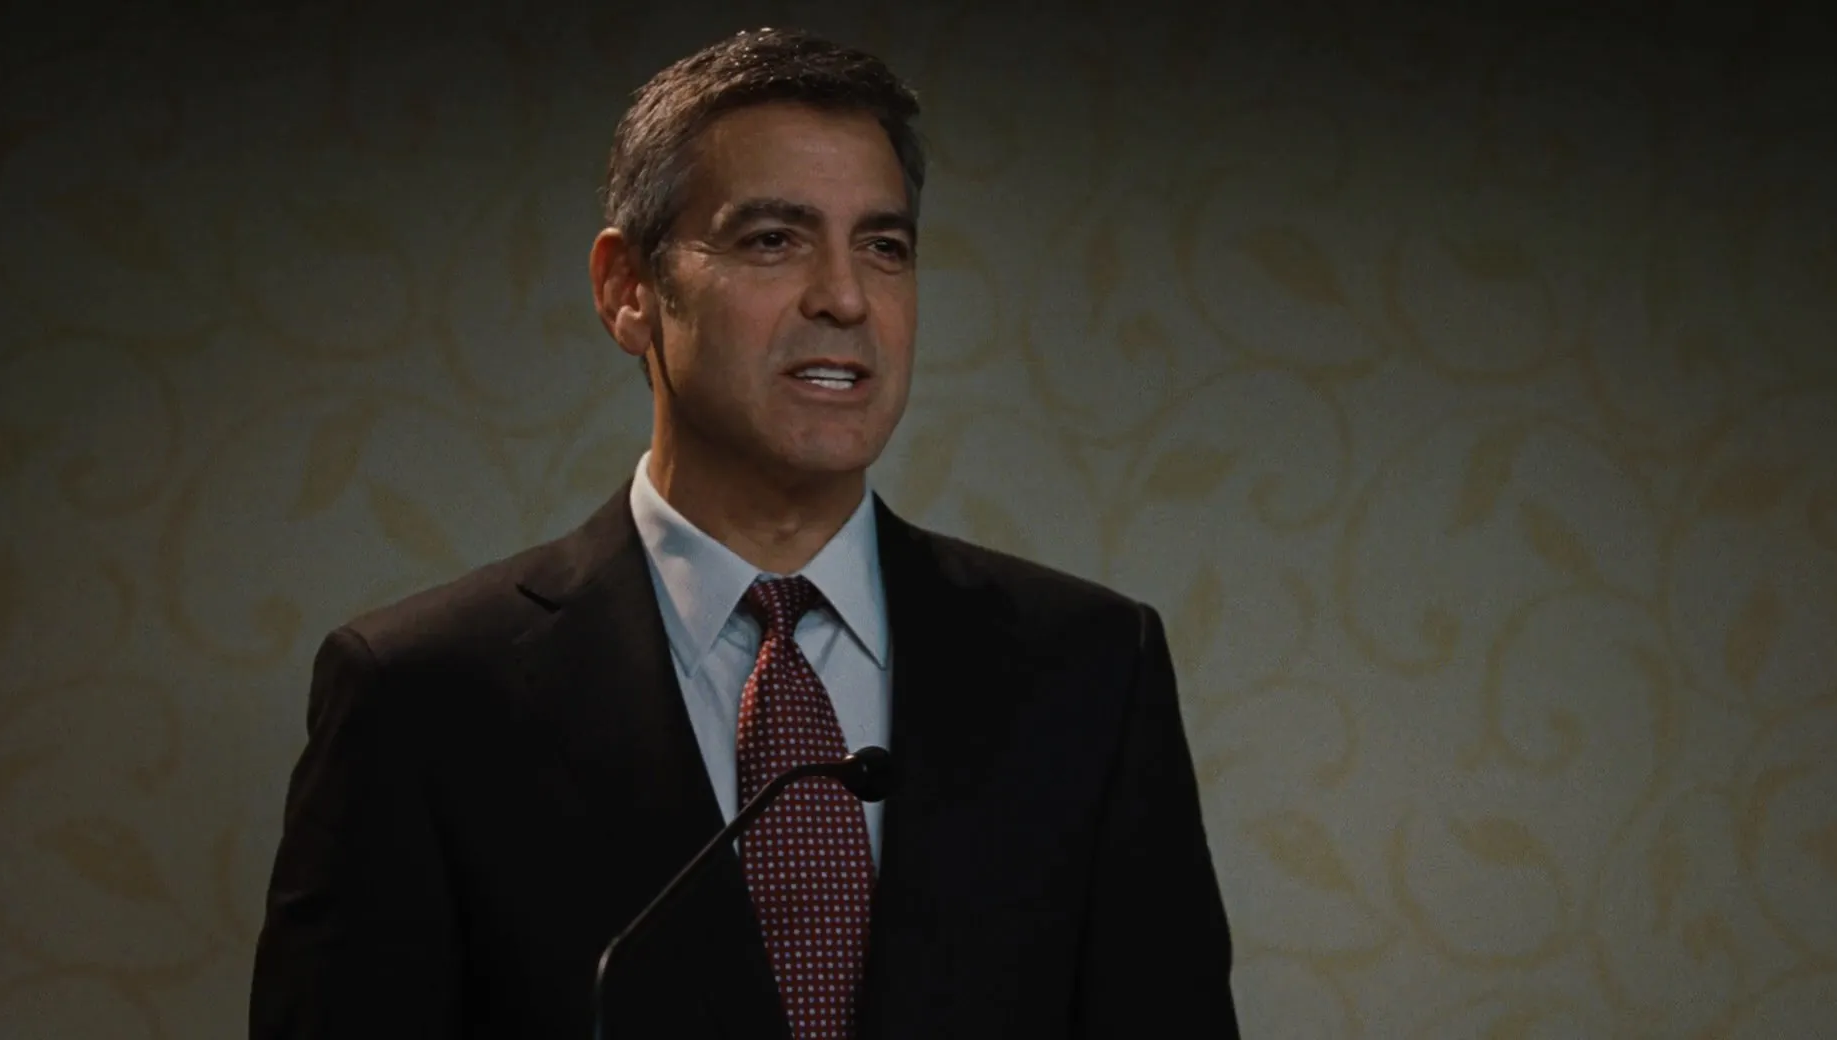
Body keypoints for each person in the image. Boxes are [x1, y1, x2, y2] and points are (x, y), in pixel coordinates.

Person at [248, 27, 1237, 1040]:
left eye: (884, 248)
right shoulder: (422, 696)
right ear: (628, 291)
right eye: (773, 240)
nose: (844, 298)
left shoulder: (1090, 669)